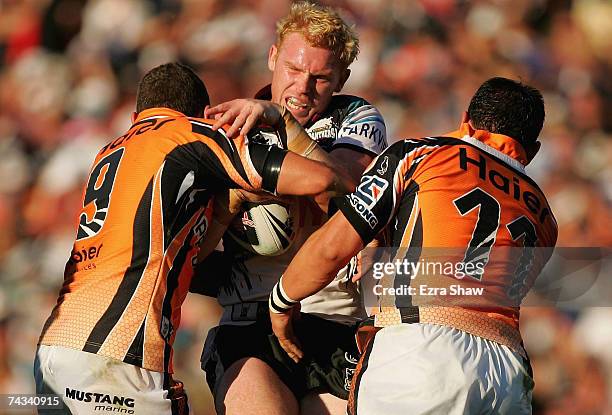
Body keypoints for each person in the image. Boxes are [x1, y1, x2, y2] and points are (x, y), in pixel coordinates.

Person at [33, 62, 350, 415]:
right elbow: (322, 179)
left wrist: (224, 220)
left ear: (137, 115)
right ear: (202, 114)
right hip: (118, 358)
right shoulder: (192, 135)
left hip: (54, 353)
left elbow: (161, 257)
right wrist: (279, 124)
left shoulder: (109, 151)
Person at [269, 77, 558, 414]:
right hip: (508, 374)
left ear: (465, 119)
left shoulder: (420, 154)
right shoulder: (545, 217)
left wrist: (281, 301)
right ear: (533, 150)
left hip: (422, 353)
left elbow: (333, 248)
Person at [193, 2, 387, 414]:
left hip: (334, 321)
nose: (302, 87)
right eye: (294, 70)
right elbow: (194, 251)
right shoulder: (229, 127)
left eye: (320, 78)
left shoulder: (356, 116)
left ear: (341, 80)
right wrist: (230, 206)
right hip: (251, 323)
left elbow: (346, 198)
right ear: (272, 58)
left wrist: (285, 124)